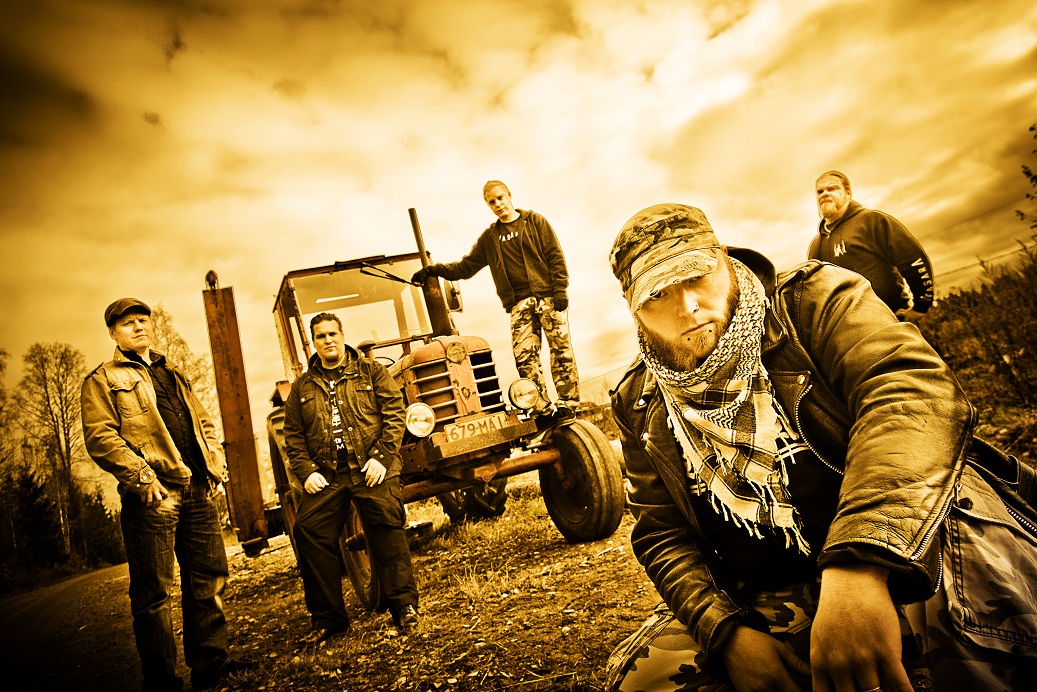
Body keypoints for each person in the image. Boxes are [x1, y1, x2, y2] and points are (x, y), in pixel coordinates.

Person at [604, 204, 1037, 691]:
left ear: (725, 259)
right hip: (780, 586)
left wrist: (859, 562)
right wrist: (726, 634)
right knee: (647, 678)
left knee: (977, 616)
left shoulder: (815, 301)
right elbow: (662, 534)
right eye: (658, 294)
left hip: (915, 538)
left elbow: (911, 395)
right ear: (634, 309)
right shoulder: (637, 399)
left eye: (696, 276)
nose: (687, 306)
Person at [81, 298, 239, 692]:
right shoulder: (102, 380)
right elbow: (100, 437)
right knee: (153, 594)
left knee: (208, 579)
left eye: (143, 320)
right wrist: (140, 476)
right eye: (128, 323)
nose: (138, 327)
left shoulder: (173, 373)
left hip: (198, 489)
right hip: (153, 497)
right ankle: (162, 681)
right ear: (113, 333)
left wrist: (214, 466)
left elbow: (203, 423)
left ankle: (211, 665)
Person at [283, 312, 420, 644]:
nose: (328, 340)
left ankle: (404, 607)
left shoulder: (371, 372)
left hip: (370, 466)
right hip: (328, 474)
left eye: (332, 333)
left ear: (342, 336)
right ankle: (329, 620)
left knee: (386, 520)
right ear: (313, 343)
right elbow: (293, 437)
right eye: (321, 336)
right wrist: (307, 472)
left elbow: (394, 414)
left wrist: (381, 458)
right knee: (308, 529)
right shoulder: (302, 387)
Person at [410, 180, 580, 411]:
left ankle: (569, 403)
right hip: (519, 304)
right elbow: (465, 267)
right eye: (492, 202)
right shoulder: (490, 238)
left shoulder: (534, 222)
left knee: (561, 351)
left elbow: (555, 256)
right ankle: (541, 408)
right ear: (488, 205)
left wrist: (560, 289)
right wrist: (433, 270)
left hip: (548, 298)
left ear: (509, 195)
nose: (498, 204)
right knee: (525, 358)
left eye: (500, 198)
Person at [809, 170, 935, 323]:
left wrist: (921, 306)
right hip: (847, 328)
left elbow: (912, 260)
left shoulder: (872, 221)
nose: (824, 194)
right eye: (820, 191)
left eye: (832, 188)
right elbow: (816, 292)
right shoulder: (816, 246)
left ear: (848, 193)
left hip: (891, 319)